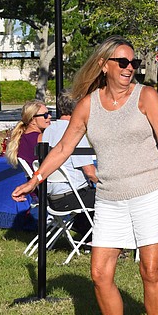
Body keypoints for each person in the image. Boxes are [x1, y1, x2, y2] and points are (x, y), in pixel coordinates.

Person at [11, 36, 158, 315]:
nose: (129, 68)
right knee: (100, 273)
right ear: (104, 65)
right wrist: (35, 180)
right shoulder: (89, 105)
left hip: (150, 192)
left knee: (150, 271)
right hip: (109, 197)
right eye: (122, 62)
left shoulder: (146, 96)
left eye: (133, 63)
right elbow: (63, 148)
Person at [41, 91, 98, 237]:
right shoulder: (75, 133)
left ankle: (87, 235)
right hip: (71, 197)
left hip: (52, 197)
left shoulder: (48, 131)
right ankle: (105, 241)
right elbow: (90, 173)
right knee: (112, 195)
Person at [5, 100, 51, 169]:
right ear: (33, 120)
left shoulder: (20, 137)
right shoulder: (41, 138)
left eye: (49, 113)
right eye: (45, 115)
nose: (49, 116)